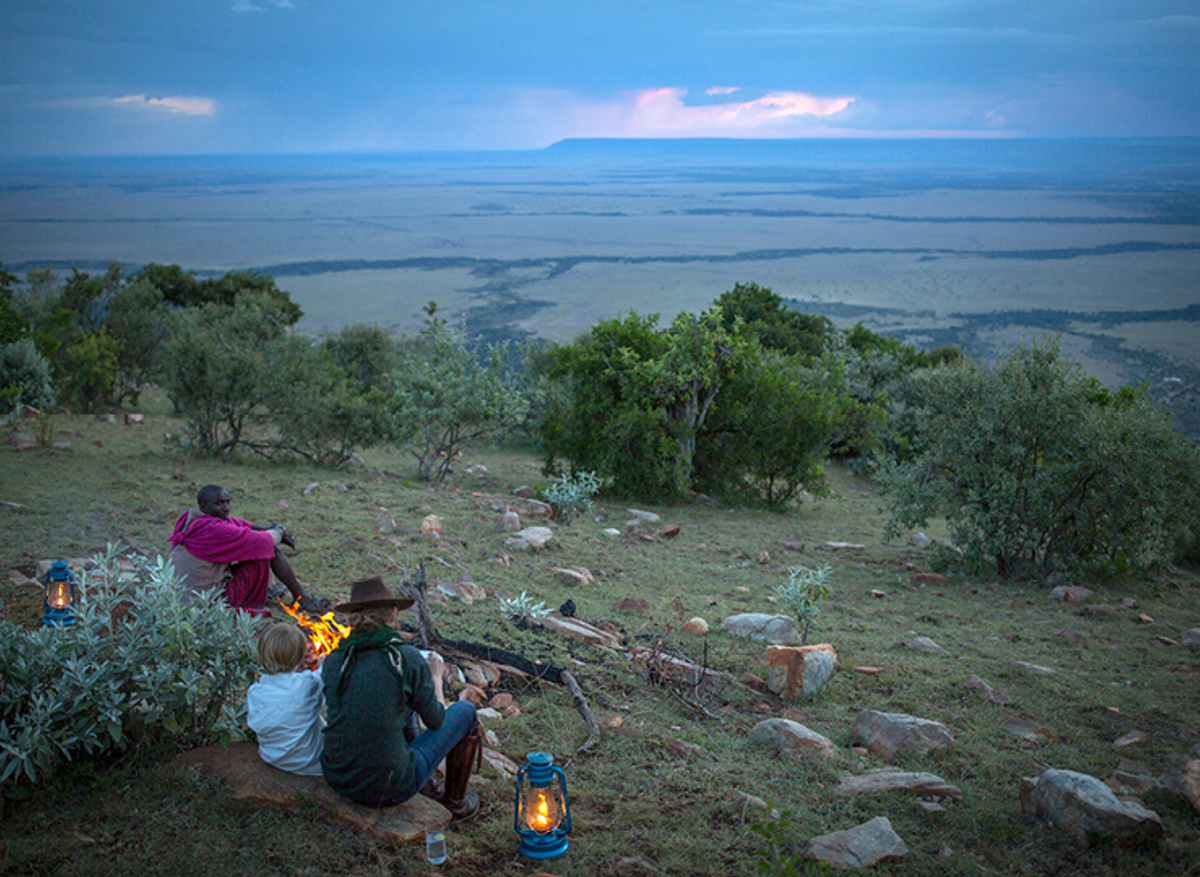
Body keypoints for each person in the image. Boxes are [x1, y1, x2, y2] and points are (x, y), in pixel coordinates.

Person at [321, 576, 482, 817]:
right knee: (465, 712)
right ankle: (455, 803)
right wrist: (436, 678)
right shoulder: (404, 657)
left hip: (338, 779)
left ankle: (428, 786)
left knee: (399, 702)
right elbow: (436, 720)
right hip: (390, 788)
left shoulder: (335, 659)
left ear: (352, 617)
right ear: (393, 613)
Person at [168, 484, 324, 615]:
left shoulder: (193, 522)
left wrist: (271, 528)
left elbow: (241, 525)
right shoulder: (213, 530)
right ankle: (301, 598)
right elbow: (264, 542)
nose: (226, 508)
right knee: (266, 551)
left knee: (258, 546)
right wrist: (279, 532)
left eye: (227, 502)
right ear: (203, 506)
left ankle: (281, 593)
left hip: (181, 600)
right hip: (208, 604)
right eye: (219, 504)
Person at [246, 623, 325, 776]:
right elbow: (325, 671)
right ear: (301, 659)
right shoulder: (308, 684)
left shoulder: (254, 692)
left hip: (271, 757)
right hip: (310, 763)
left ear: (260, 658)